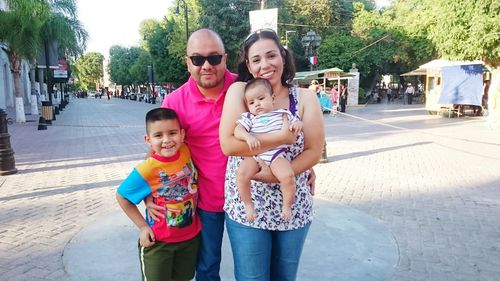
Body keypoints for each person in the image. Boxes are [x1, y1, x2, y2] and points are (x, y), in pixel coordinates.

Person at [219, 29, 324, 280]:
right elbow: (229, 145)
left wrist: (277, 175)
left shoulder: (306, 98)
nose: (265, 64)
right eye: (256, 59)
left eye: (271, 56)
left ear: (283, 57)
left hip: (293, 207)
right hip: (249, 207)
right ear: (248, 65)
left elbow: (313, 151)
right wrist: (280, 139)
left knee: (285, 277)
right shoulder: (240, 92)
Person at [146, 28, 237, 281]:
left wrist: (301, 166)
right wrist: (148, 196)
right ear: (188, 62)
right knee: (207, 268)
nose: (206, 65)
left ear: (225, 58)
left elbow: (273, 125)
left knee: (251, 271)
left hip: (248, 198)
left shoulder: (243, 89)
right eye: (197, 59)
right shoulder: (174, 102)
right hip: (205, 203)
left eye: (214, 58)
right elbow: (156, 154)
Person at [116, 108, 201, 281]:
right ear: (148, 140)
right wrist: (143, 227)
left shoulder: (185, 150)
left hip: (190, 239)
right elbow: (122, 196)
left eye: (172, 133)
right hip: (158, 242)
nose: (167, 140)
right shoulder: (147, 169)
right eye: (158, 136)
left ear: (182, 134)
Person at [235, 78, 303, 222]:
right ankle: (248, 204)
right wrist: (247, 136)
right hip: (255, 154)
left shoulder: (282, 113)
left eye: (261, 98)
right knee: (241, 175)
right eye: (251, 102)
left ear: (272, 98)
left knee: (288, 176)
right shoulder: (250, 117)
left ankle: (287, 205)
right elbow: (237, 130)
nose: (257, 104)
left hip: (276, 154)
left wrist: (298, 124)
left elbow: (296, 122)